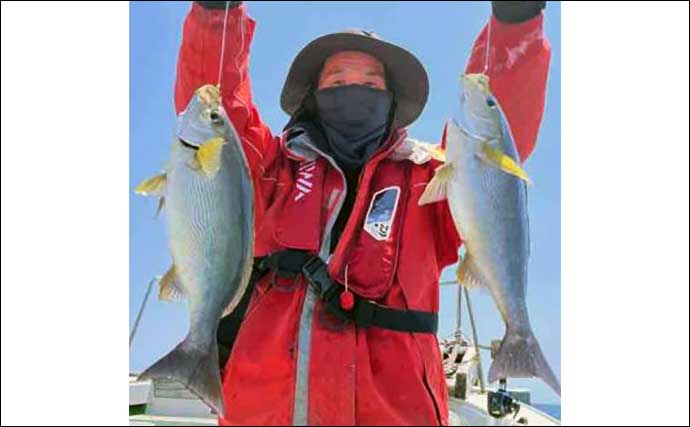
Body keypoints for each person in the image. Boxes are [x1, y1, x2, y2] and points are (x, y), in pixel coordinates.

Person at [175, 1, 550, 425]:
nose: (355, 89)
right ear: (314, 98)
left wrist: (516, 23)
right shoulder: (270, 169)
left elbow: (496, 142)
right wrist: (214, 14)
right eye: (338, 79)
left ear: (390, 100)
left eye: (371, 83)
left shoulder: (432, 174)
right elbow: (214, 110)